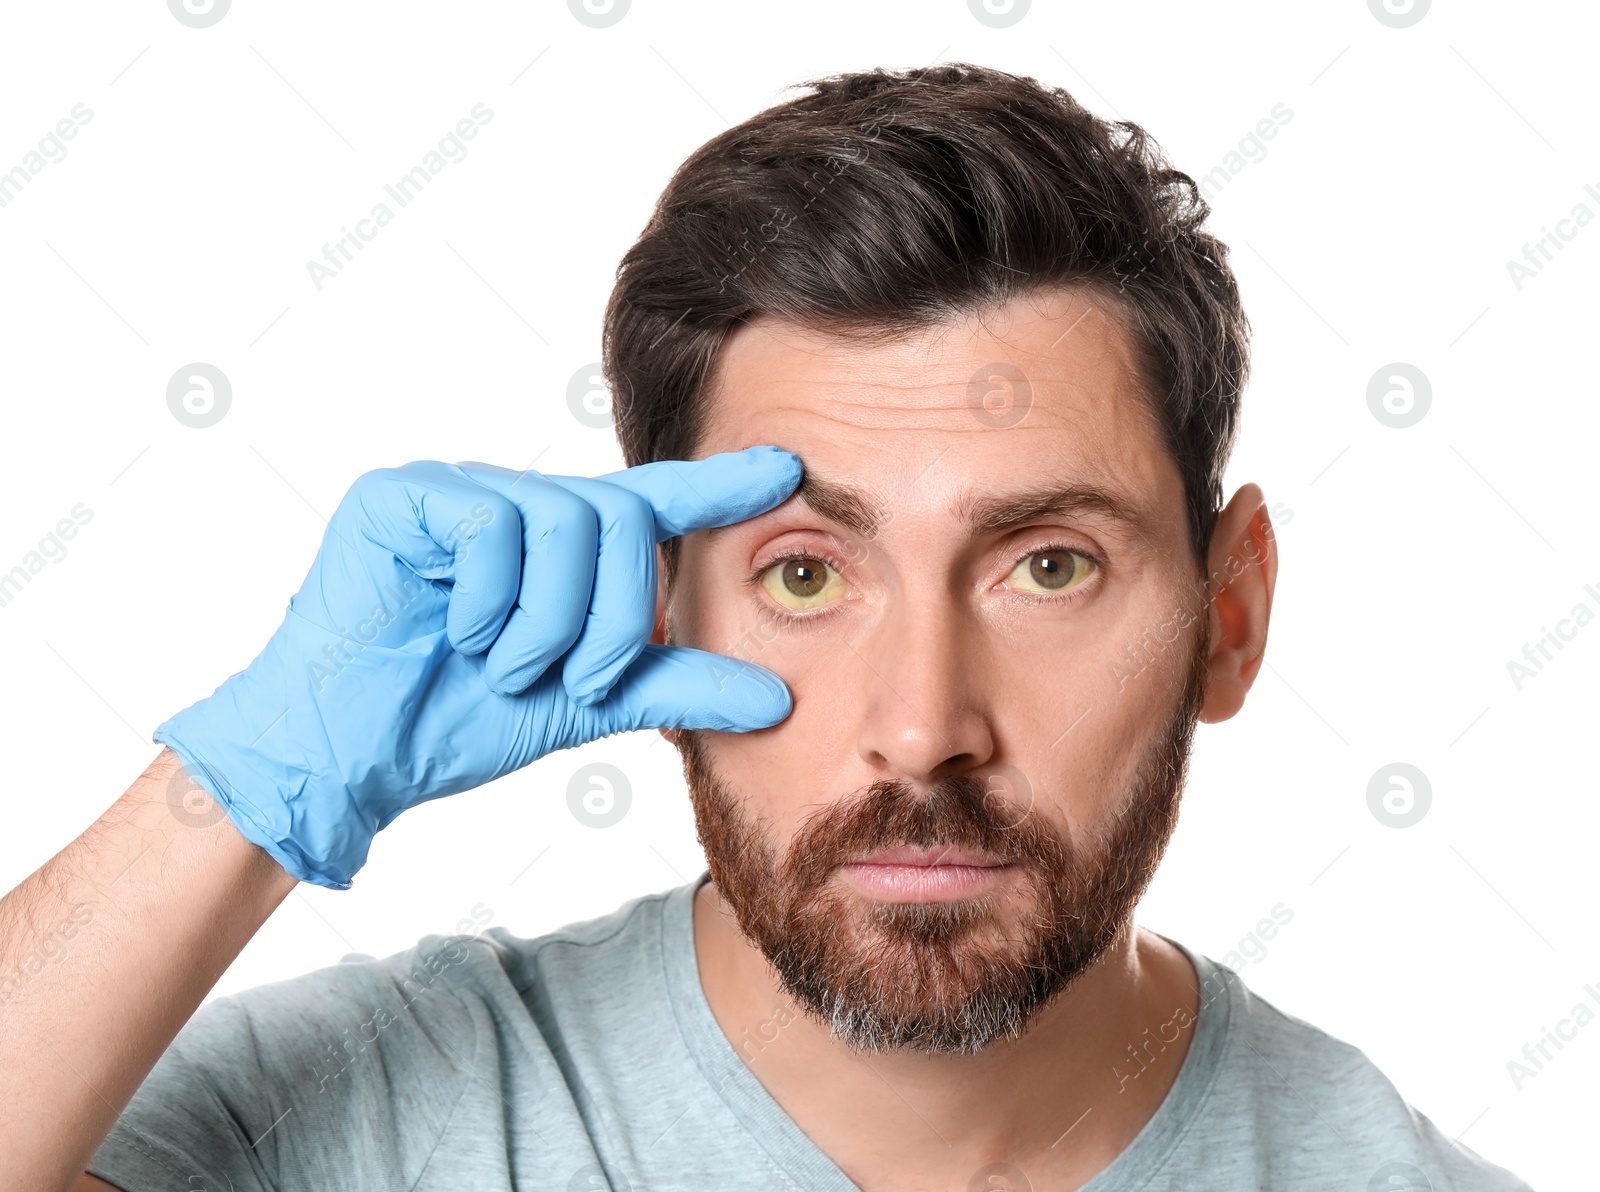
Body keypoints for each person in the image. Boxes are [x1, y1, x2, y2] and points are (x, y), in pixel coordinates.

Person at [0, 63, 1531, 1192]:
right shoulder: (366, 1123)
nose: (925, 725)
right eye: (806, 573)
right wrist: (243, 789)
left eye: (1047, 566)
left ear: (1232, 615)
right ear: (657, 595)